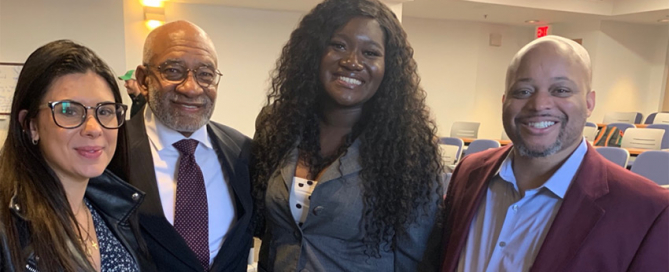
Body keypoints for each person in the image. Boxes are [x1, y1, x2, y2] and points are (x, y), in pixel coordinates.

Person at [440, 35, 669, 271]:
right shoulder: (469, 173)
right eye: (523, 91)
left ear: (589, 103)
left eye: (560, 90)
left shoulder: (648, 210)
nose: (539, 104)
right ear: (504, 100)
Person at [252, 0, 443, 271]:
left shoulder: (411, 151)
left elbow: (416, 260)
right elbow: (274, 237)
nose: (352, 61)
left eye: (371, 52)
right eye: (338, 45)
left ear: (389, 68)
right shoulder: (277, 127)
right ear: (314, 52)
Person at [109, 20, 253, 272]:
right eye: (173, 71)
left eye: (205, 74)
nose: (191, 88)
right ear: (143, 80)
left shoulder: (243, 152)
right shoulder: (110, 152)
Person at [0, 40, 154, 271]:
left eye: (104, 111)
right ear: (31, 125)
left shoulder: (110, 208)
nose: (93, 128)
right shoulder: (8, 226)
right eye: (69, 111)